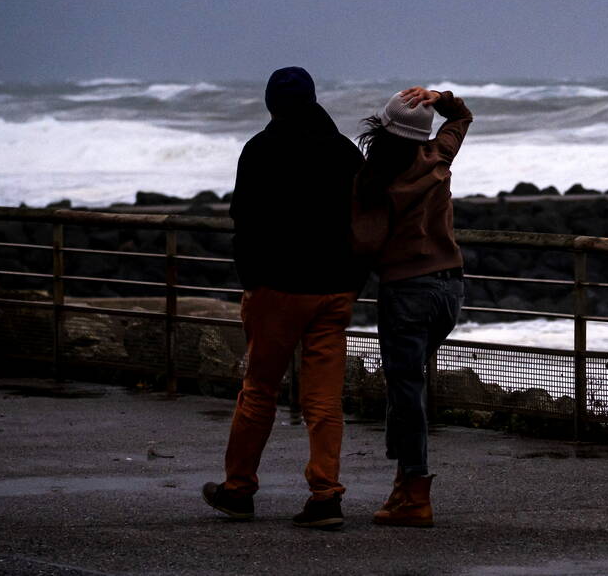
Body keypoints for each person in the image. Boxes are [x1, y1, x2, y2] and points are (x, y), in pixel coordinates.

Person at [202, 67, 365, 530]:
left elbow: (244, 223)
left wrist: (251, 279)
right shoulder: (343, 152)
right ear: (314, 99)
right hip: (333, 291)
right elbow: (363, 222)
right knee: (324, 399)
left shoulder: (259, 150)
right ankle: (326, 495)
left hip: (276, 291)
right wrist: (354, 283)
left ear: (271, 104)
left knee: (259, 390)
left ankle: (238, 490)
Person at [352, 86, 472, 527]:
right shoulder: (437, 157)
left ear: (383, 130)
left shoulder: (373, 179)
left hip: (405, 291)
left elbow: (363, 243)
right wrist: (440, 97)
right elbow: (462, 119)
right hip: (449, 290)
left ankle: (416, 490)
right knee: (407, 387)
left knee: (406, 390)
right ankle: (403, 485)